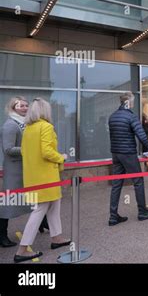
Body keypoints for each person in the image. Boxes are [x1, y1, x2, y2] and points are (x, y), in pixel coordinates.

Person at [14, 98, 70, 263]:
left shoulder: (28, 129)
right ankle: (22, 249)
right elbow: (47, 151)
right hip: (47, 177)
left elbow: (24, 152)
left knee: (53, 207)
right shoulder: (46, 127)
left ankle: (56, 238)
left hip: (34, 177)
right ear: (45, 111)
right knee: (39, 211)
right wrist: (62, 157)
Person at [108, 92, 148, 226]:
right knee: (138, 181)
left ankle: (113, 216)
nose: (134, 103)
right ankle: (142, 212)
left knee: (117, 184)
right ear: (128, 102)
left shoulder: (112, 117)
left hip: (116, 153)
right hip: (128, 153)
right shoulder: (131, 117)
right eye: (133, 101)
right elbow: (141, 135)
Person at [0, 97, 32, 248]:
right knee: (8, 204)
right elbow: (8, 149)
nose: (25, 108)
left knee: (33, 198)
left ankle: (42, 222)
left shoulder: (22, 123)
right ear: (13, 107)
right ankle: (2, 236)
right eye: (21, 106)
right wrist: (31, 150)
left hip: (23, 169)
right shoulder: (10, 125)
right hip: (14, 172)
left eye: (26, 105)